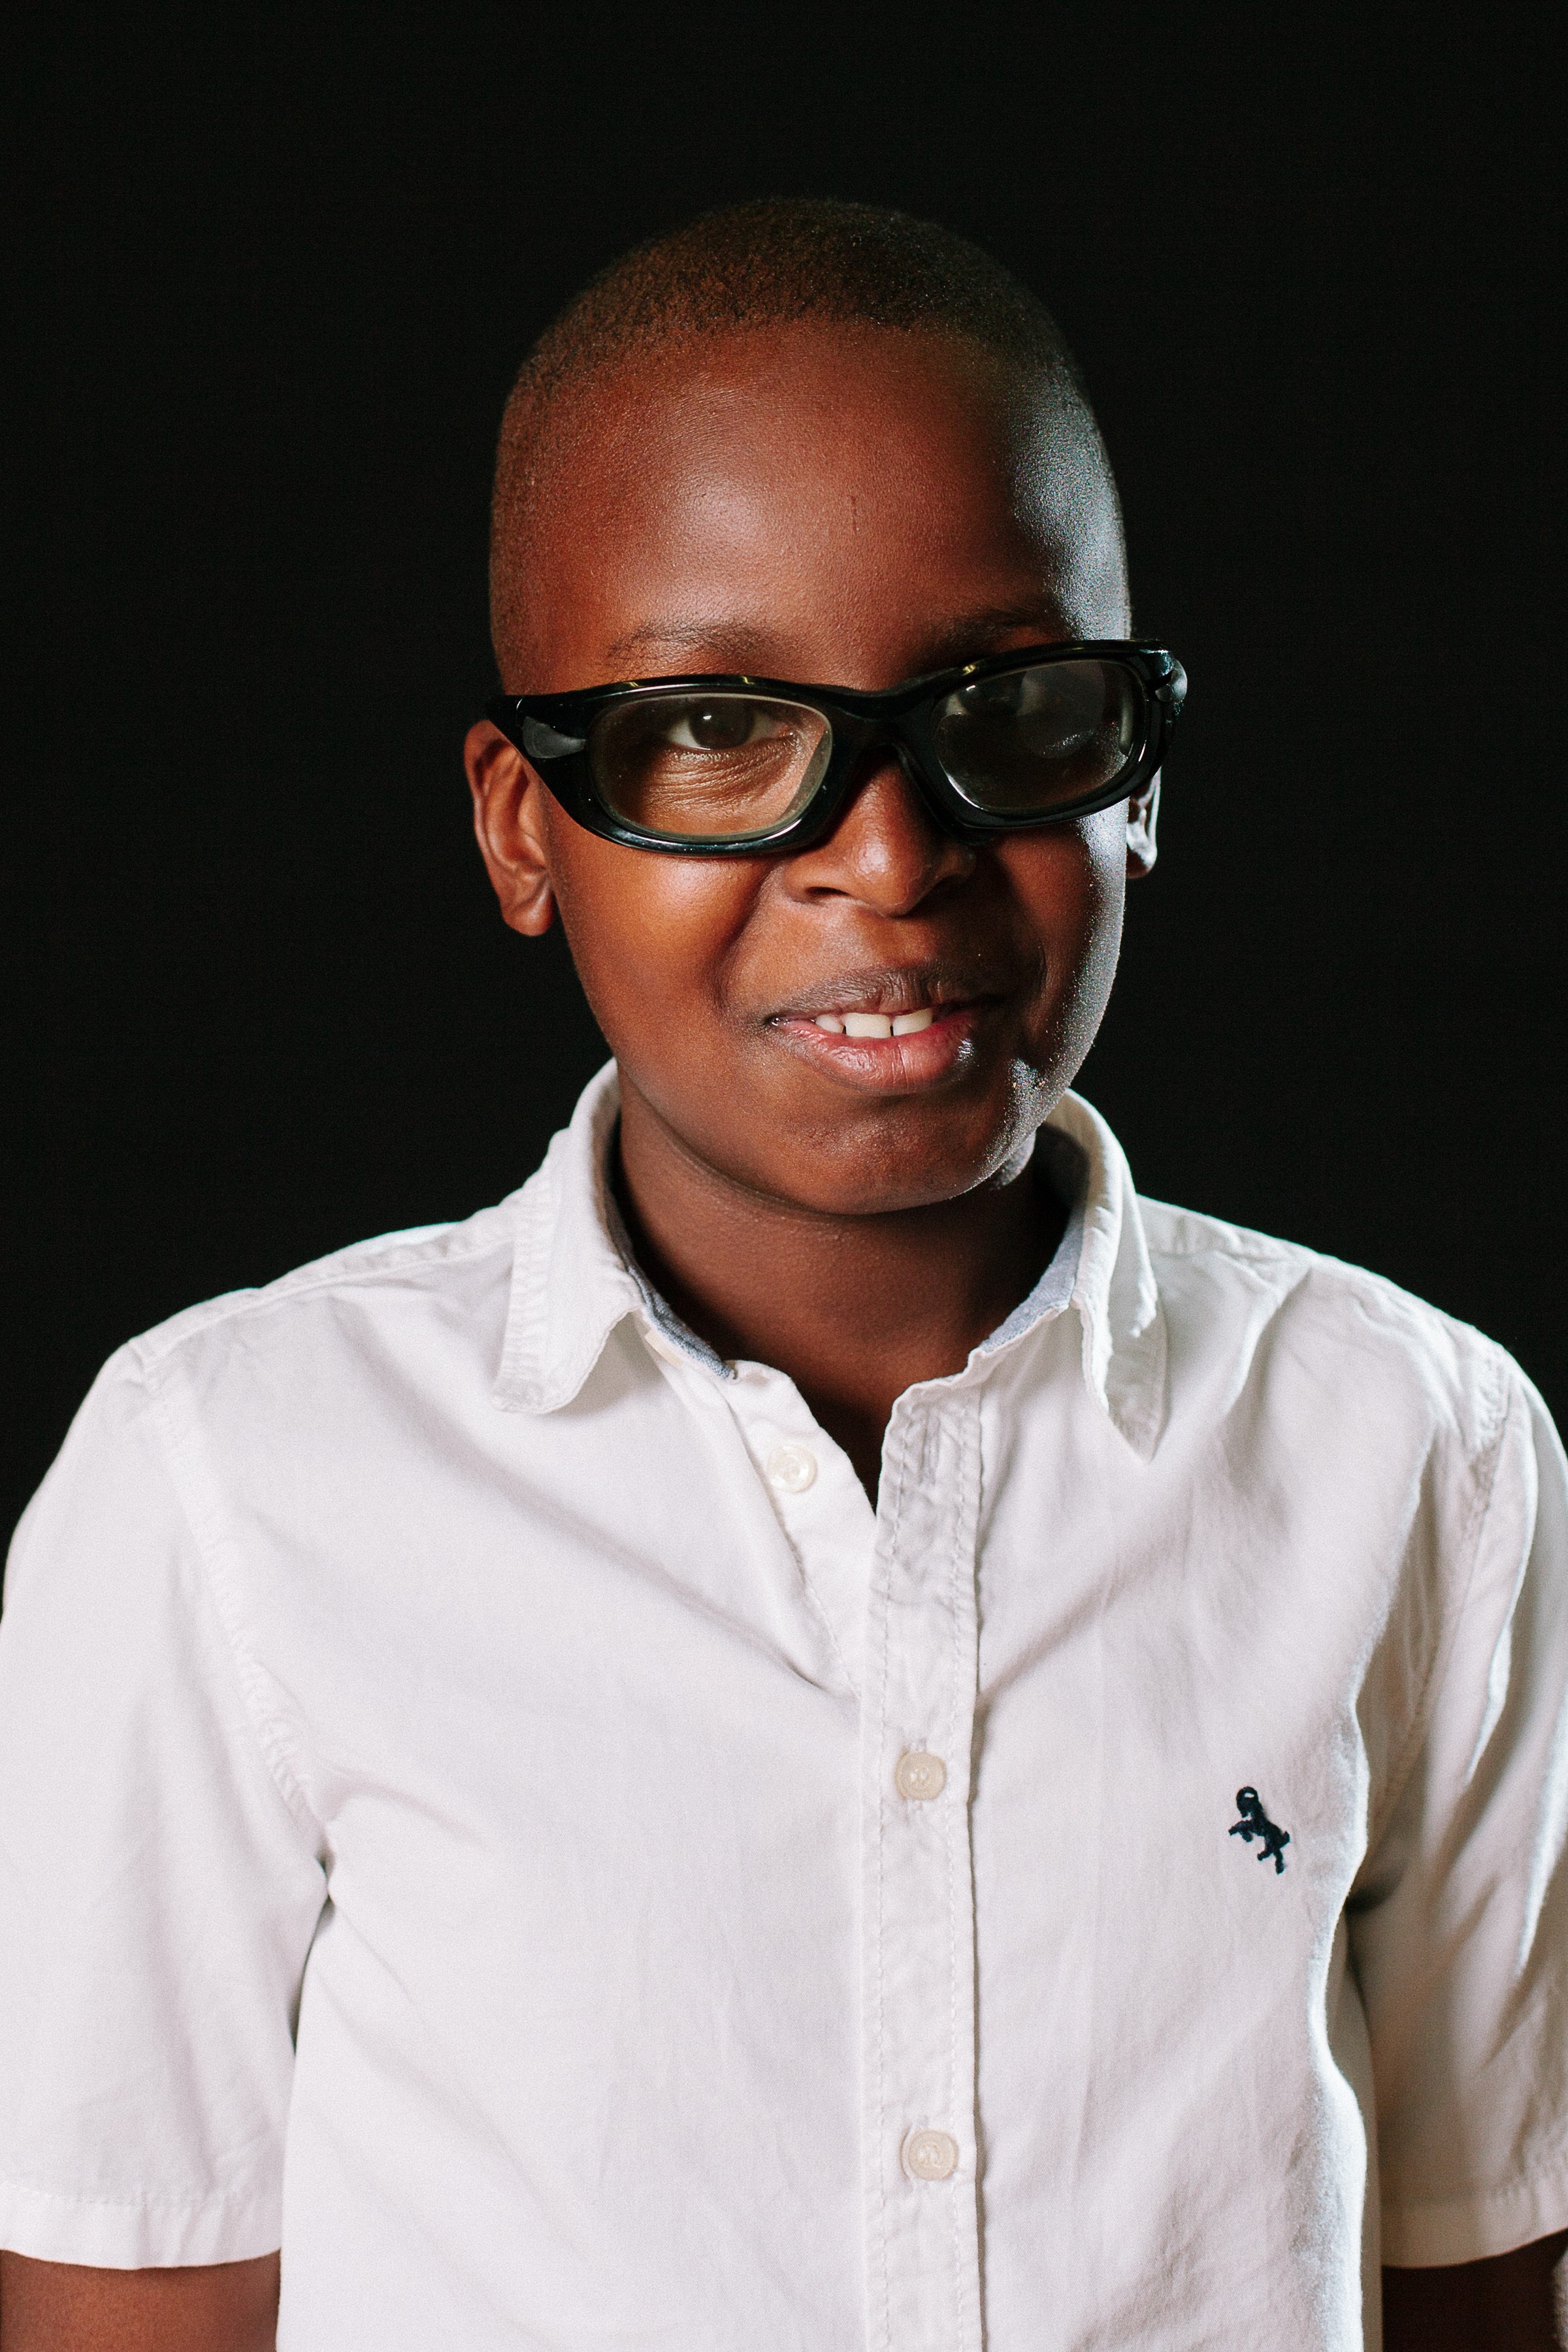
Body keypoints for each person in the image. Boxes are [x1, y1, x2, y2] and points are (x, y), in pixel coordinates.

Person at [1, 199, 1565, 2352]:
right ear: (521, 829)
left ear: (1145, 775)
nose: (892, 850)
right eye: (713, 730)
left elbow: (1482, 2279)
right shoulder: (227, 1487)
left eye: (1012, 707)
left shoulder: (1423, 1453)